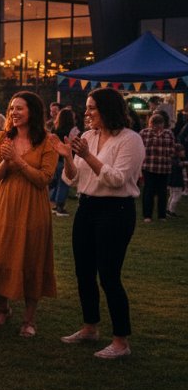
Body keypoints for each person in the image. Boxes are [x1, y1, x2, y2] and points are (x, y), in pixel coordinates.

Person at [54, 88, 145, 359]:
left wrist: (87, 156)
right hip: (87, 207)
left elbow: (117, 179)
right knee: (84, 272)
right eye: (87, 107)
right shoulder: (87, 137)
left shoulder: (130, 140)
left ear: (108, 109)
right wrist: (68, 157)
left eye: (92, 108)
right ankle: (89, 327)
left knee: (108, 275)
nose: (87, 113)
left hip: (115, 210)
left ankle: (120, 341)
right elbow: (72, 180)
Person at [0, 91, 59, 338]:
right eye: (12, 108)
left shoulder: (47, 141)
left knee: (31, 258)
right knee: (1, 254)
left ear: (32, 111)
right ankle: (3, 309)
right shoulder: (2, 137)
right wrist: (6, 161)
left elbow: (44, 179)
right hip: (5, 204)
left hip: (34, 206)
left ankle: (29, 319)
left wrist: (18, 161)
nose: (14, 112)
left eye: (19, 108)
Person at [139, 113, 175, 223]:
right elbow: (172, 150)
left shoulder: (144, 133)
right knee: (160, 192)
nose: (157, 128)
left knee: (152, 192)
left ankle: (149, 216)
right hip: (160, 167)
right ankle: (160, 216)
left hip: (152, 167)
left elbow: (140, 150)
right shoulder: (168, 133)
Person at [49, 108, 79, 217]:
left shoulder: (55, 130)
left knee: (58, 183)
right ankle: (60, 206)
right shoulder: (73, 130)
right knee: (64, 184)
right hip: (65, 160)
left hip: (55, 159)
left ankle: (55, 204)